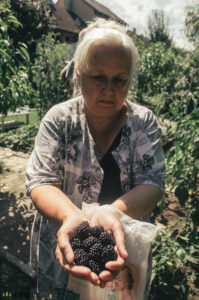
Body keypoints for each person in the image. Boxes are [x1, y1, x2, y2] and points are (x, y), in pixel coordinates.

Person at [26, 17, 165, 299]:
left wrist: (111, 213)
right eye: (98, 78)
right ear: (79, 76)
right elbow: (41, 181)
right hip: (65, 249)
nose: (109, 89)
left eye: (119, 80)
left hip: (122, 253)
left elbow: (152, 183)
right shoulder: (59, 120)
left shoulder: (143, 123)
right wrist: (71, 216)